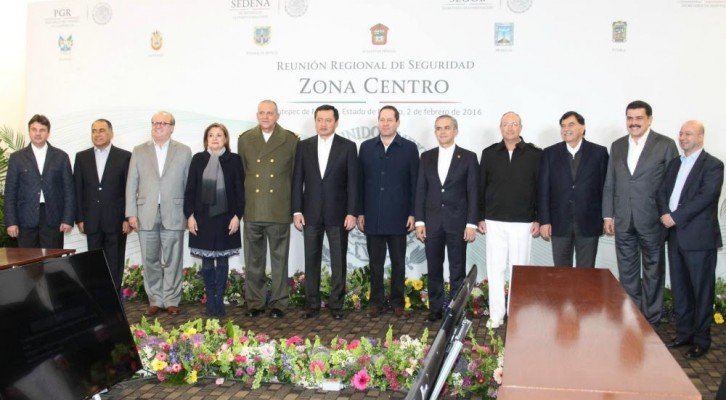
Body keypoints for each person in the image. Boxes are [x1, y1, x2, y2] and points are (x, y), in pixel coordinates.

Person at [602, 100, 678, 325]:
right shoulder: (617, 145)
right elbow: (610, 182)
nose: (633, 123)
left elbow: (673, 184)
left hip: (653, 219)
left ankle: (651, 317)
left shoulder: (665, 144)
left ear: (649, 120)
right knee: (627, 270)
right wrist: (608, 215)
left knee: (653, 270)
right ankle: (631, 314)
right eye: (630, 118)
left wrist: (668, 214)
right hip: (623, 218)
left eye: (638, 118)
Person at [657, 120, 723, 359]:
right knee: (681, 289)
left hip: (699, 238)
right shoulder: (675, 163)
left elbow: (706, 198)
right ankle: (684, 333)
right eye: (681, 133)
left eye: (689, 134)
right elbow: (662, 192)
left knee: (701, 290)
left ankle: (701, 339)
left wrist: (674, 217)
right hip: (675, 236)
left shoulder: (713, 165)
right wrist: (665, 213)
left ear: (701, 137)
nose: (683, 137)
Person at [292, 104, 358, 320]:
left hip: (339, 215)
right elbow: (297, 181)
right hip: (309, 213)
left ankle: (336, 306)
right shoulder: (303, 146)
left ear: (336, 122)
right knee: (311, 260)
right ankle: (312, 305)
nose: (323, 124)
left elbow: (353, 184)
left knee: (338, 261)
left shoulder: (348, 147)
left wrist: (352, 212)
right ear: (315, 121)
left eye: (328, 120)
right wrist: (296, 210)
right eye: (320, 119)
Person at [478, 111, 542, 329]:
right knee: (495, 269)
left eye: (514, 124)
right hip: (494, 220)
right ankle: (496, 315)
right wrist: (479, 217)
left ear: (521, 128)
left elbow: (540, 189)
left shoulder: (535, 154)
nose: (510, 128)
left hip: (523, 221)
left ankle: (517, 314)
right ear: (500, 128)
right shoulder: (489, 153)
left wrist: (538, 218)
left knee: (519, 269)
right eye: (506, 124)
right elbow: (480, 187)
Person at [126, 111, 192, 316]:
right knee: (150, 258)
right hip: (145, 213)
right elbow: (131, 183)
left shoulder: (184, 151)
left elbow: (189, 185)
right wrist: (131, 213)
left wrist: (190, 214)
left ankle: (172, 299)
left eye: (163, 123)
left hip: (175, 211)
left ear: (172, 127)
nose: (158, 126)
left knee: (173, 258)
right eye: (155, 123)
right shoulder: (139, 150)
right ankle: (155, 298)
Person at [238, 100, 298, 318]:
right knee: (253, 260)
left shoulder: (290, 140)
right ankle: (254, 302)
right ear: (257, 115)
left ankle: (279, 302)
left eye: (270, 113)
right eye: (262, 113)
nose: (265, 117)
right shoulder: (245, 140)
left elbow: (294, 176)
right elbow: (244, 173)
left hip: (278, 209)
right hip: (253, 208)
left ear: (277, 116)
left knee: (279, 260)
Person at [414, 115, 478, 322]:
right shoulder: (426, 157)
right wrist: (420, 221)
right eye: (439, 128)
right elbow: (420, 190)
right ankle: (435, 309)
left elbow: (473, 192)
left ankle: (455, 311)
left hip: (458, 223)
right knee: (434, 267)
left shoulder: (468, 157)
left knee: (457, 269)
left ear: (455, 131)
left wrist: (471, 223)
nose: (442, 132)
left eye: (447, 128)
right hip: (432, 222)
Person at [357, 105, 419, 318]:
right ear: (378, 122)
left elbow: (415, 184)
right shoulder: (366, 147)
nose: (385, 123)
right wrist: (360, 212)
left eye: (389, 120)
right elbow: (359, 183)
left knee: (398, 263)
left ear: (397, 122)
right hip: (372, 215)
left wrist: (413, 213)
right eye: (382, 119)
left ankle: (397, 302)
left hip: (399, 216)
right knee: (375, 263)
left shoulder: (409, 148)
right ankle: (376, 302)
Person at [184, 123, 244, 317]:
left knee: (223, 260)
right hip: (202, 217)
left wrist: (237, 216)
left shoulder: (234, 160)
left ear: (225, 139)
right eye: (211, 135)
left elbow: (239, 191)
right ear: (206, 140)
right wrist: (190, 216)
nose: (215, 138)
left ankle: (220, 298)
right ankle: (211, 298)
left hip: (227, 217)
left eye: (219, 135)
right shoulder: (198, 160)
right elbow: (190, 190)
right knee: (207, 261)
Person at [538, 111, 608, 267]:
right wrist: (544, 221)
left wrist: (607, 217)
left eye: (571, 124)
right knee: (561, 274)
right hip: (559, 223)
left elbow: (606, 188)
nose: (566, 129)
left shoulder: (599, 153)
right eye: (563, 126)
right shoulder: (550, 153)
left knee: (586, 274)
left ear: (582, 128)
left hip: (589, 222)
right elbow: (543, 190)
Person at [73, 119, 132, 293]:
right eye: (94, 131)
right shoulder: (82, 157)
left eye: (101, 130)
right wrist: (80, 218)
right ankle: (98, 297)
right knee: (94, 261)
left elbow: (129, 190)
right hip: (91, 220)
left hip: (116, 220)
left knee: (115, 261)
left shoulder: (124, 156)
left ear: (111, 133)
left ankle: (114, 297)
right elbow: (78, 190)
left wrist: (127, 218)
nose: (97, 134)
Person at [5, 114, 74, 248]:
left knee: (52, 263)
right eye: (34, 129)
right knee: (27, 264)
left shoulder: (61, 157)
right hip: (25, 218)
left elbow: (69, 191)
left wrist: (67, 219)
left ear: (48, 133)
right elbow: (10, 192)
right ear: (29, 131)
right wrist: (11, 222)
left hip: (53, 218)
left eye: (42, 130)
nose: (37, 133)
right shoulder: (17, 158)